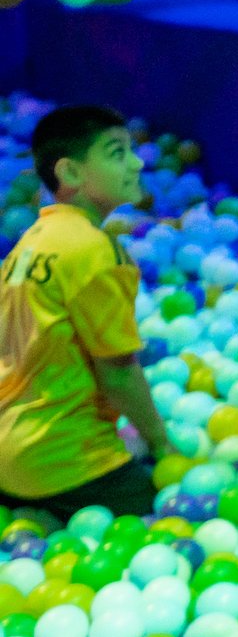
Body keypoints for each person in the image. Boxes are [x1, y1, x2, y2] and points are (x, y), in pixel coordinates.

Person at [0, 105, 173, 518]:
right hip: (62, 462)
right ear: (71, 174)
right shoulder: (94, 250)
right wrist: (161, 444)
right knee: (176, 511)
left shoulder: (31, 243)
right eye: (117, 153)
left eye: (132, 151)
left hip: (8, 455)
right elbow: (117, 371)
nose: (135, 163)